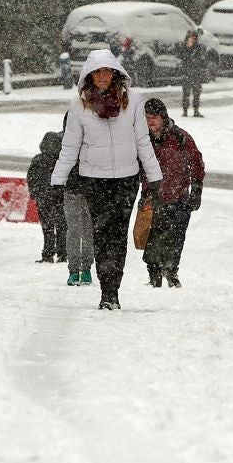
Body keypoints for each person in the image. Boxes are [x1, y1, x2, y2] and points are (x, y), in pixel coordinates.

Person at [50, 49, 163, 310]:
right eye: (97, 72)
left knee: (118, 234)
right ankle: (105, 290)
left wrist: (154, 177)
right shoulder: (79, 106)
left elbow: (143, 141)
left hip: (126, 178)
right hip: (94, 179)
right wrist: (58, 180)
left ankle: (114, 287)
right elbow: (70, 147)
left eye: (106, 72)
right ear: (89, 76)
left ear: (115, 74)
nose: (102, 77)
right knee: (101, 233)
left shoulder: (134, 101)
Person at [140, 98, 205, 287]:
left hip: (179, 195)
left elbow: (196, 163)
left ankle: (171, 269)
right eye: (147, 117)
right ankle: (154, 273)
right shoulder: (142, 140)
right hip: (153, 195)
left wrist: (197, 189)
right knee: (152, 236)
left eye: (154, 117)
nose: (150, 122)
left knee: (177, 235)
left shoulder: (180, 137)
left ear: (163, 117)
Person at [59, 112, 94, 287]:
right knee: (74, 231)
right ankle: (74, 270)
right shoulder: (64, 144)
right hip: (72, 191)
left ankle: (86, 269)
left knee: (87, 231)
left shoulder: (92, 141)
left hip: (89, 192)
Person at [26, 128, 67, 263]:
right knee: (62, 226)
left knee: (47, 227)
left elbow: (31, 178)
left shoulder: (37, 159)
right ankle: (63, 253)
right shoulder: (60, 160)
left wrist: (34, 193)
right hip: (58, 197)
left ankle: (48, 253)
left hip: (43, 198)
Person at [181, 30, 206, 117]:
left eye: (194, 38)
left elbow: (202, 61)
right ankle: (185, 111)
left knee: (196, 93)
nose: (192, 40)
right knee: (186, 93)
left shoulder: (199, 48)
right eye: (190, 37)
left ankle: (196, 110)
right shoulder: (183, 47)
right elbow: (182, 60)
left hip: (196, 74)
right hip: (187, 73)